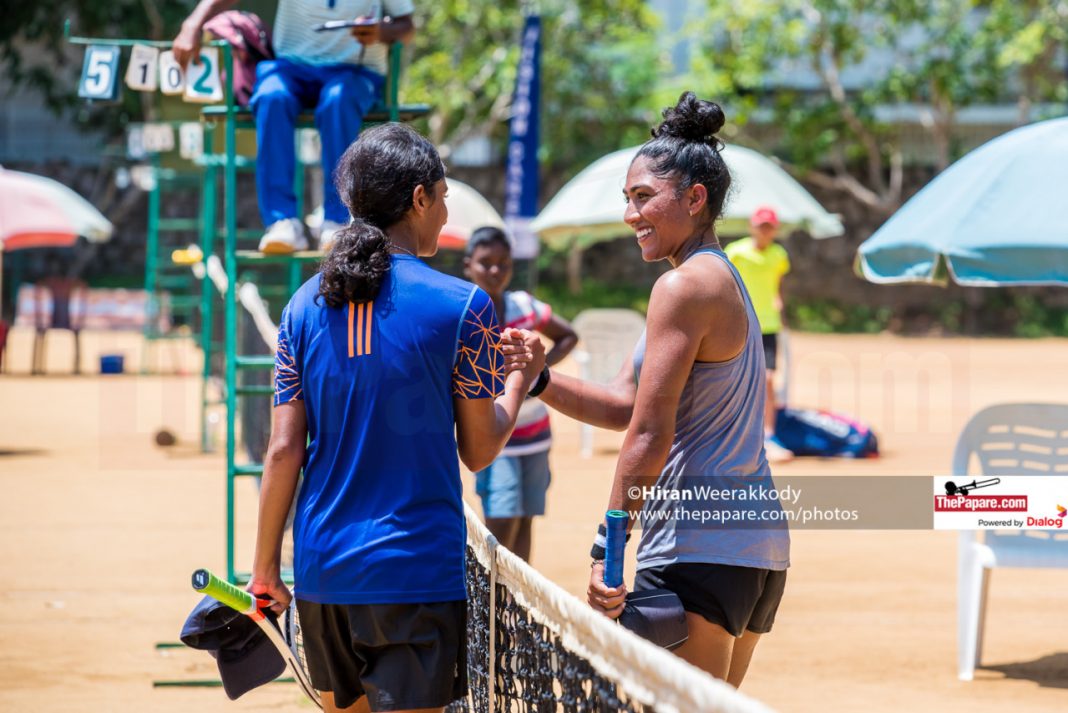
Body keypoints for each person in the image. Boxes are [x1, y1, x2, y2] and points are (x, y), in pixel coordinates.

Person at [249, 123, 545, 713]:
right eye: (443, 199)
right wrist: (522, 376)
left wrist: (264, 572)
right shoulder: (464, 306)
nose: (444, 215)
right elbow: (480, 449)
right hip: (414, 576)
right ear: (419, 198)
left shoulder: (301, 307)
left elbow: (282, 451)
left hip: (321, 574)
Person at [529, 92, 790, 687]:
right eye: (628, 198)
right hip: (754, 551)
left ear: (695, 199)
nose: (630, 214)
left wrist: (608, 544)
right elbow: (627, 406)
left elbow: (650, 433)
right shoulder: (717, 278)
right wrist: (539, 379)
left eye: (644, 197)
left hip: (698, 550)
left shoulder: (683, 289)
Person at [172, 0, 416, 253]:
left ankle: (338, 220)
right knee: (271, 97)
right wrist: (192, 25)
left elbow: (407, 26)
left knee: (337, 101)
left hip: (354, 72)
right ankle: (282, 222)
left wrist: (380, 32)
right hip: (292, 68)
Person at [463, 227, 578, 562]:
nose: (496, 271)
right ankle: (492, 608)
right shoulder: (464, 313)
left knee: (526, 521)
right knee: (499, 531)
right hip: (494, 439)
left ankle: (516, 608)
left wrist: (536, 375)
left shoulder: (523, 305)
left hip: (536, 436)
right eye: (486, 263)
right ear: (469, 265)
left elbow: (568, 335)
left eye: (503, 263)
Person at [725, 207, 794, 463]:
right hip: (742, 324)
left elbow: (777, 285)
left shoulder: (779, 255)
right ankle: (737, 435)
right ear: (752, 226)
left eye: (769, 226)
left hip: (769, 327)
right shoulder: (736, 252)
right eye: (761, 225)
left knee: (767, 380)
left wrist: (778, 304)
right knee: (737, 380)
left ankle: (769, 435)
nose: (765, 231)